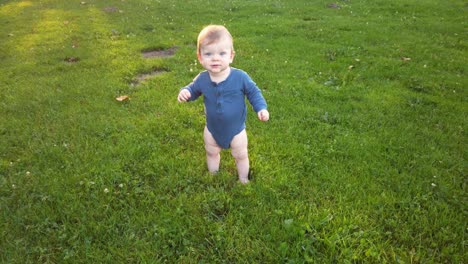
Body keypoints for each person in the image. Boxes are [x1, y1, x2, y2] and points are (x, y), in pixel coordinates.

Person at [177, 25, 269, 184]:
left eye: (222, 53)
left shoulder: (240, 77)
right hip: (212, 128)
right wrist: (186, 92)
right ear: (200, 57)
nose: (215, 58)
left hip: (237, 130)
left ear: (231, 56)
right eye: (208, 54)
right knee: (211, 151)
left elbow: (254, 92)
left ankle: (243, 179)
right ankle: (213, 175)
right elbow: (193, 89)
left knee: (241, 154)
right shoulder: (202, 79)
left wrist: (261, 108)